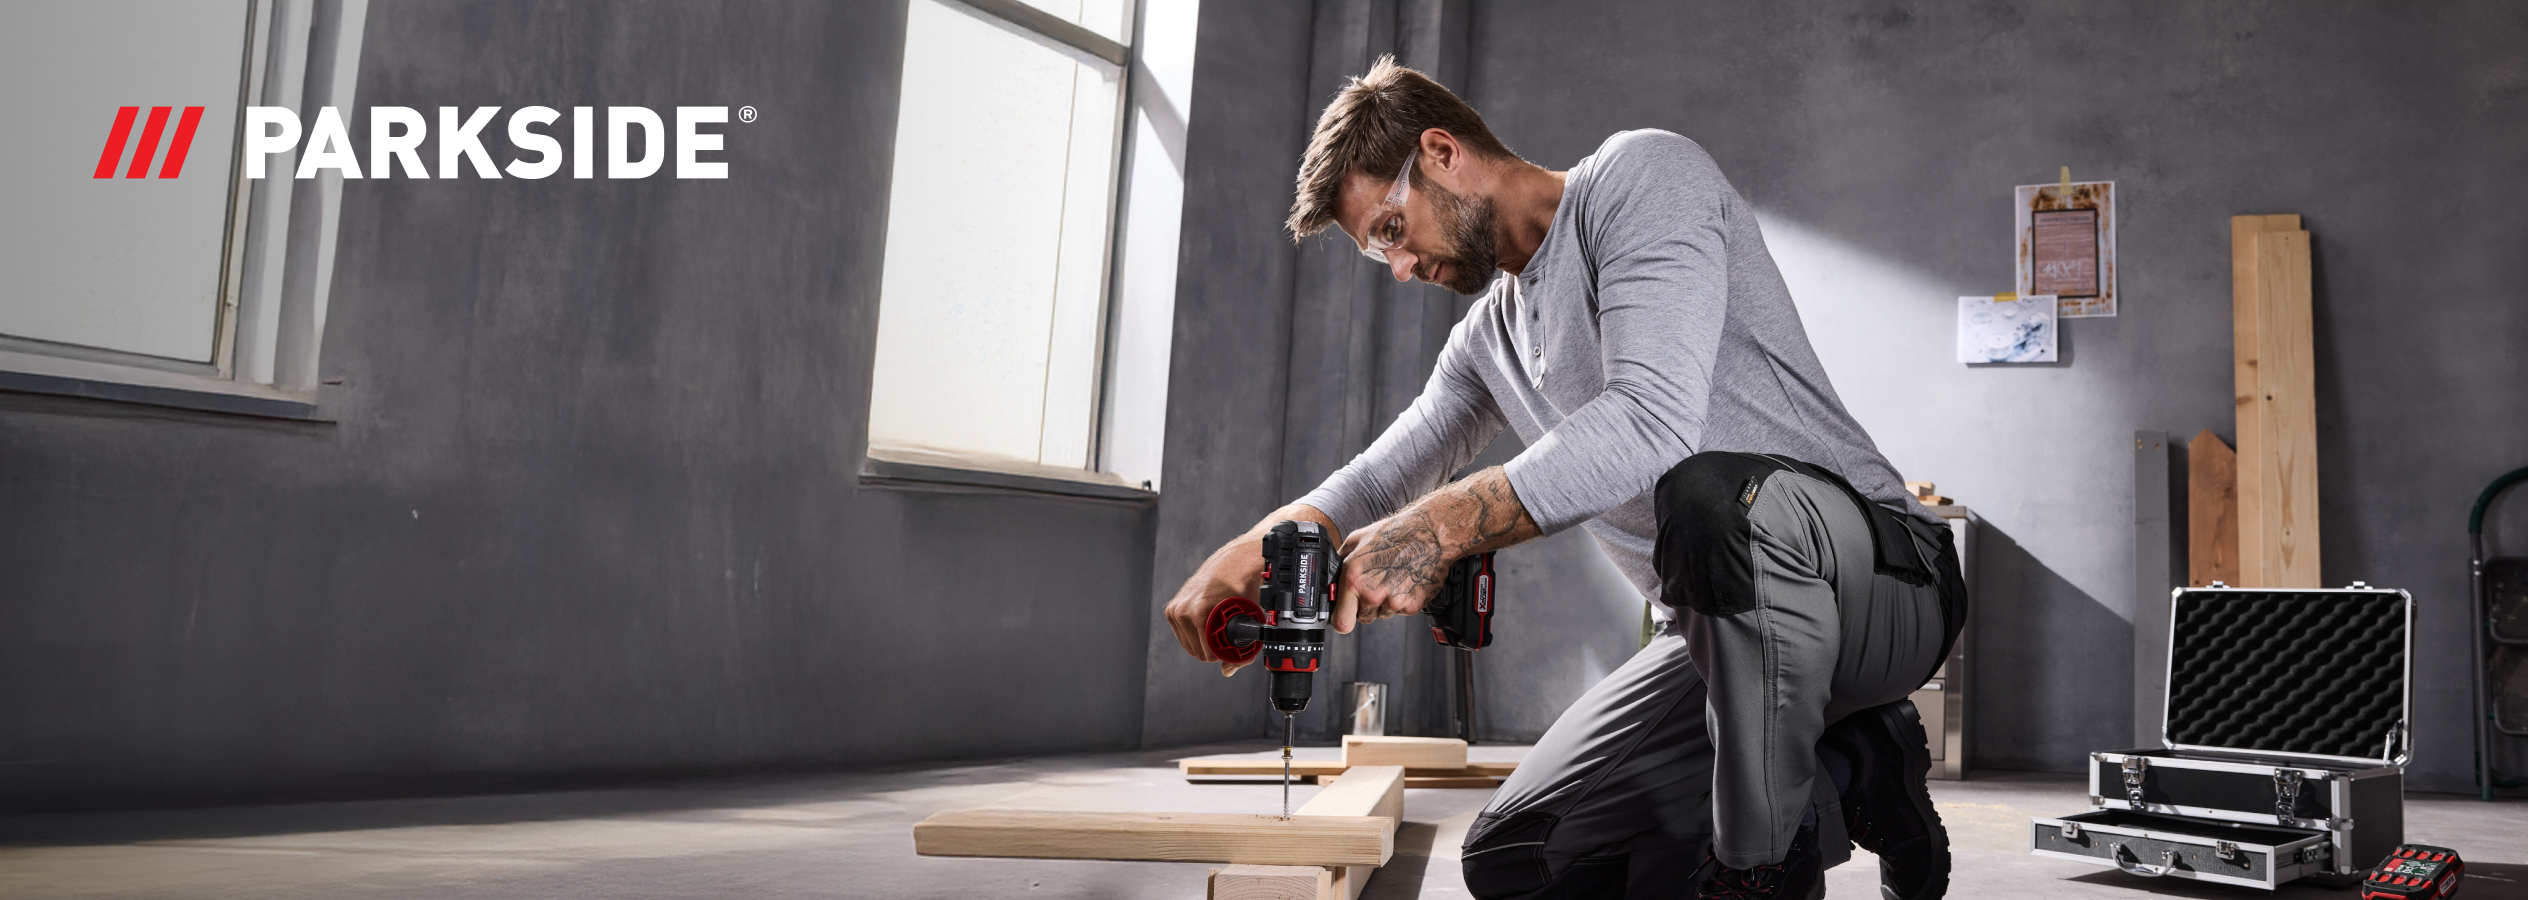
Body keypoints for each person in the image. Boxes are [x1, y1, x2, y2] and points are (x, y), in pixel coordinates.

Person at [1160, 56, 1965, 900]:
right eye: (1376, 255)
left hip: (1883, 582)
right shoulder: (1487, 341)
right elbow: (1379, 478)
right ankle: (1859, 763)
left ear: (1441, 152)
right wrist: (1257, 547)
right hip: (1718, 634)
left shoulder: (1641, 176)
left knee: (1711, 497)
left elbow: (1652, 422)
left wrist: (1440, 529)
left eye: (1393, 230)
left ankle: (1763, 862)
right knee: (1522, 857)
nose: (1398, 268)